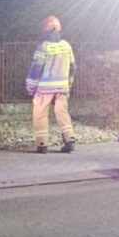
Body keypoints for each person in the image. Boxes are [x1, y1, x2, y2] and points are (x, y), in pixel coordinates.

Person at [26, 15, 76, 154]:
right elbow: (73, 67)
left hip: (44, 88)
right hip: (62, 87)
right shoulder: (66, 46)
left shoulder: (43, 47)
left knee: (40, 114)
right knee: (62, 113)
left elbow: (36, 70)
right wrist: (69, 84)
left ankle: (42, 144)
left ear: (45, 31)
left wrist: (30, 87)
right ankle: (69, 140)